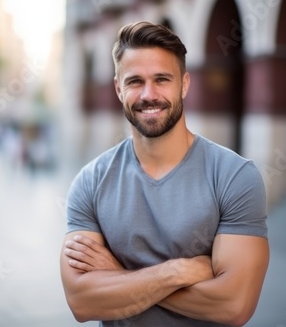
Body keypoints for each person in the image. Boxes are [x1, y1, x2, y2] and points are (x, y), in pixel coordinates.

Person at [60, 21, 269, 327]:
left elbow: (234, 306)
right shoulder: (91, 181)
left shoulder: (234, 176)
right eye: (134, 82)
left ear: (184, 84)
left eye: (162, 79)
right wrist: (176, 273)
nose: (149, 94)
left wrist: (118, 276)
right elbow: (81, 302)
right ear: (118, 89)